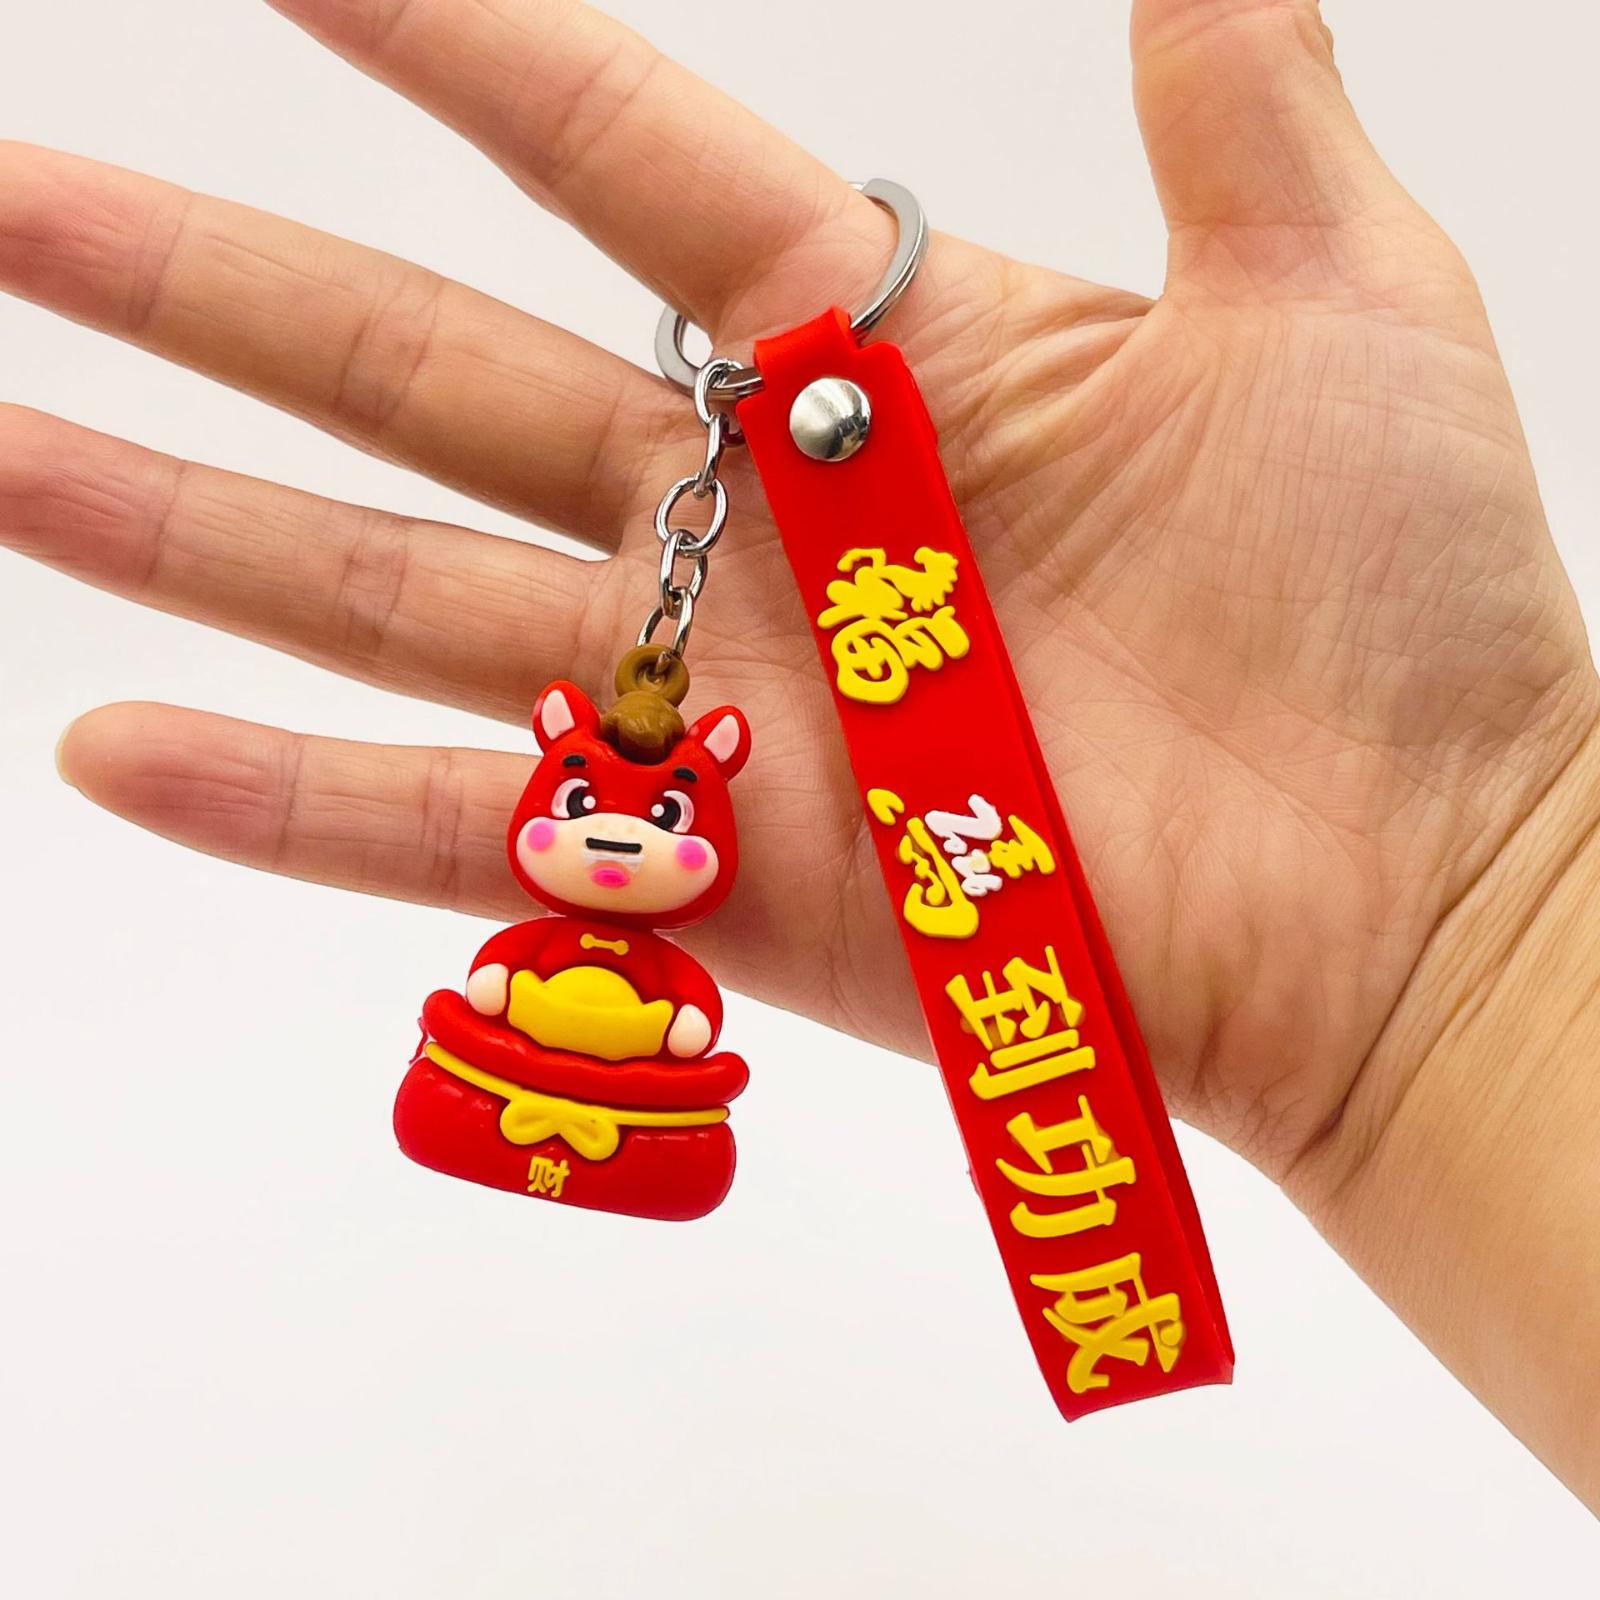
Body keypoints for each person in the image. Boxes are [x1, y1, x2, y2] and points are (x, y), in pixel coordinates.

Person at [1, 0, 1596, 1510]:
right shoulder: (576, 906)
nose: (614, 845)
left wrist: (1506, 911)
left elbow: (683, 1019)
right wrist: (1488, 965)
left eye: (649, 822)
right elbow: (538, 990)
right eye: (589, 811)